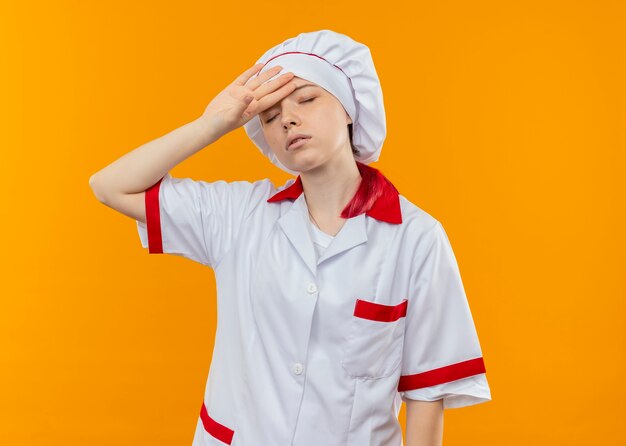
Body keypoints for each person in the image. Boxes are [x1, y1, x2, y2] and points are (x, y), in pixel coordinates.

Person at [89, 29, 491, 446]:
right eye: (269, 115)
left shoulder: (417, 239)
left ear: (351, 107)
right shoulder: (239, 215)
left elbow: (426, 395)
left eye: (306, 98)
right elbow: (110, 186)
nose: (288, 119)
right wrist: (210, 126)